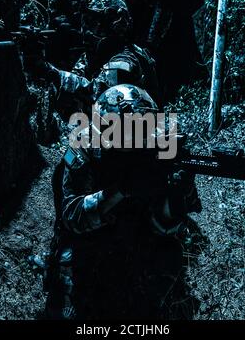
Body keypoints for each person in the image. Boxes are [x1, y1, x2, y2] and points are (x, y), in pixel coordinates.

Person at [44, 84, 202, 319]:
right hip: (88, 244)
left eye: (141, 128)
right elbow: (72, 217)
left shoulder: (157, 148)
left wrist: (177, 191)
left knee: (168, 261)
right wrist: (122, 190)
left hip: (136, 238)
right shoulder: (84, 147)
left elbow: (168, 225)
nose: (133, 138)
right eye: (125, 130)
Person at [23, 0, 159, 118]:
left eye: (93, 23)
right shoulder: (94, 54)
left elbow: (96, 93)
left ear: (114, 26)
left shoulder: (124, 60)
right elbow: (72, 91)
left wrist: (48, 70)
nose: (86, 31)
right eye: (85, 22)